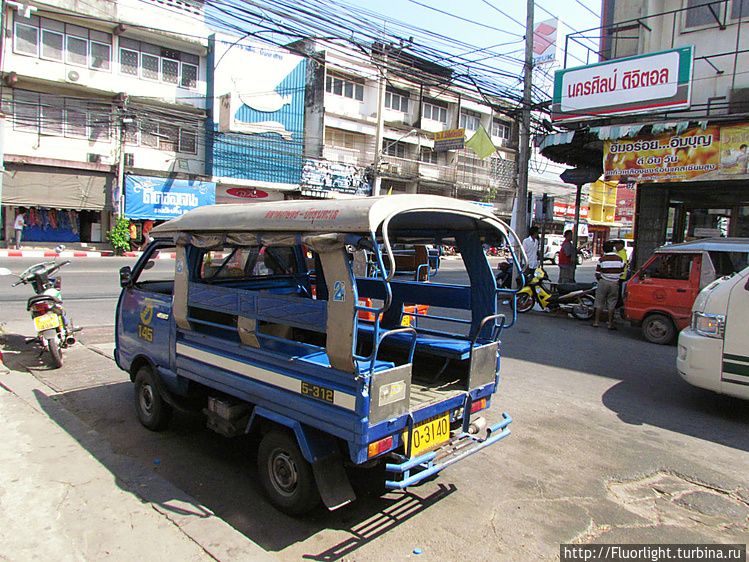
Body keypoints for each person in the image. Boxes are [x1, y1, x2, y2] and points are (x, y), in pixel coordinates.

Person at [592, 240, 625, 330]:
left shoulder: (602, 259)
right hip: (614, 283)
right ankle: (610, 323)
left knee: (599, 302)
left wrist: (601, 278)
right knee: (612, 303)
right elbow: (622, 272)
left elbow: (597, 273)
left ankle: (596, 322)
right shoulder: (619, 259)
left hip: (603, 282)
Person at [612, 239, 628, 309]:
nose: (615, 246)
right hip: (619, 275)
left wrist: (619, 272)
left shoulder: (622, 253)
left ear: (621, 245)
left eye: (617, 245)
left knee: (617, 291)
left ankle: (619, 304)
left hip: (620, 276)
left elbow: (623, 264)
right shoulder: (619, 252)